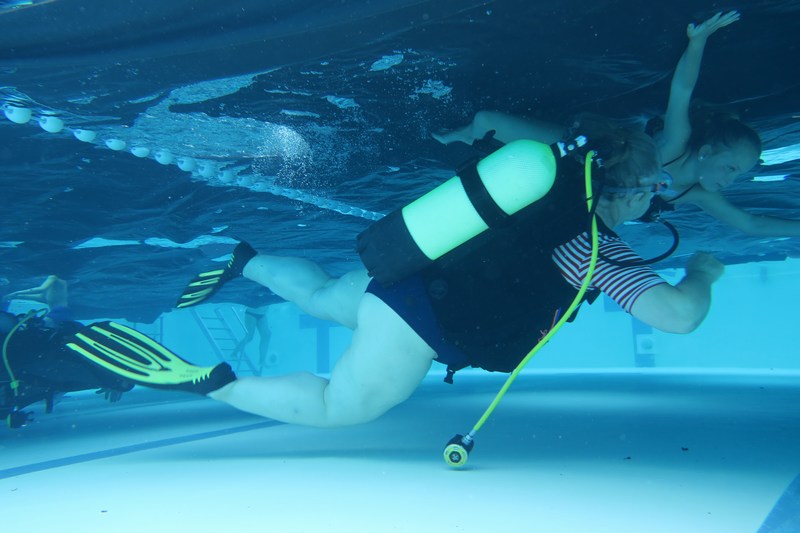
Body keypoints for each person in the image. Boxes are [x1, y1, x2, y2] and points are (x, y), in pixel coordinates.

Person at [175, 116, 725, 429]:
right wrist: (702, 274)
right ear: (627, 191)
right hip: (420, 326)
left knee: (320, 295)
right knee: (336, 407)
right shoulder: (593, 246)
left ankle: (245, 261)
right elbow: (678, 316)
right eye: (654, 186)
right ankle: (217, 386)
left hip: (402, 275)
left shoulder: (538, 186)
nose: (657, 197)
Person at [433, 12, 800, 238]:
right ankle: (461, 134)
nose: (731, 181)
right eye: (731, 167)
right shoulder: (677, 142)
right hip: (587, 147)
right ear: (705, 151)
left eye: (739, 175)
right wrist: (698, 41)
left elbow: (750, 224)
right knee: (485, 123)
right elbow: (682, 90)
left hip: (580, 189)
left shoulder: (698, 193)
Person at [1, 276, 234, 428]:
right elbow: (58, 289)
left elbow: (58, 290)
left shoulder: (37, 347)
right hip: (50, 351)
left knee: (78, 350)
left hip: (47, 351)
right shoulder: (46, 343)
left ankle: (134, 374)